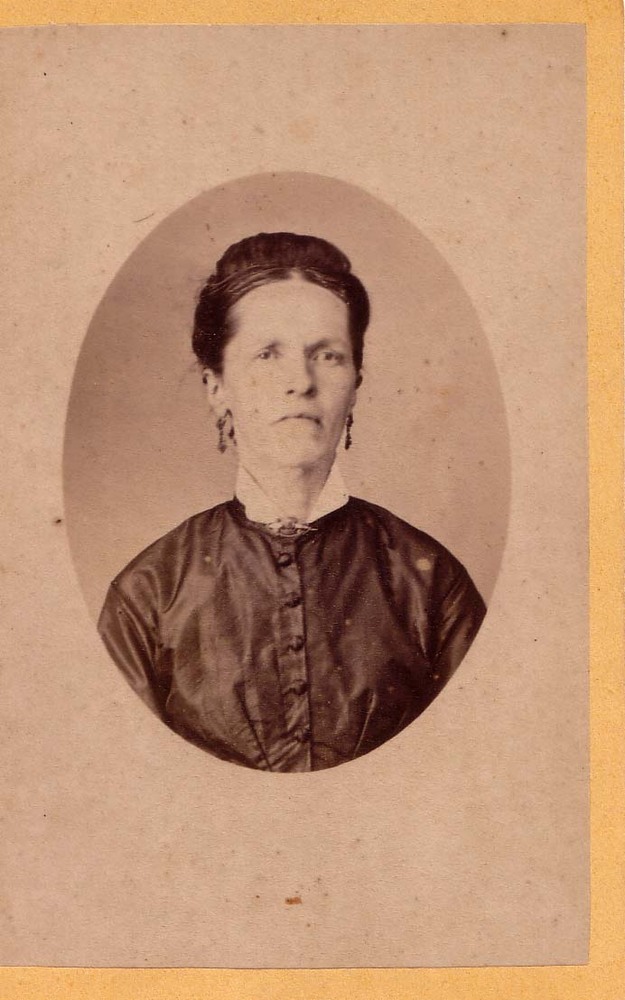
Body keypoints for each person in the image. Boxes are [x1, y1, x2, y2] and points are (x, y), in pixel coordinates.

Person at [98, 231, 486, 772]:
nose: (300, 382)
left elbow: (472, 776)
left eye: (327, 356)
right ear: (217, 386)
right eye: (267, 354)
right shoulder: (149, 593)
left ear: (355, 383)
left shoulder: (433, 583)